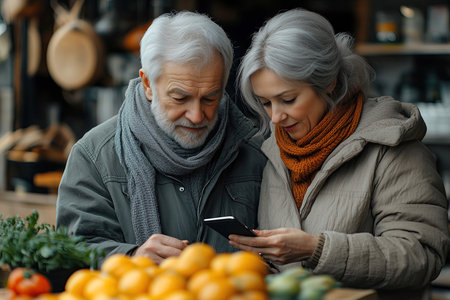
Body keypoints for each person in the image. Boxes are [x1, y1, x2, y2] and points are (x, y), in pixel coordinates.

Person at [230, 8, 449, 299]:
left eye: (288, 99)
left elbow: (422, 255)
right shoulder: (273, 151)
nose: (276, 117)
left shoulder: (392, 147)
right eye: (266, 103)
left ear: (329, 82)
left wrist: (316, 249)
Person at [56, 11, 267, 264]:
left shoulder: (253, 153)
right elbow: (71, 253)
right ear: (147, 84)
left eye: (211, 98)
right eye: (180, 98)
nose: (197, 116)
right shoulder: (93, 157)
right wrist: (133, 258)